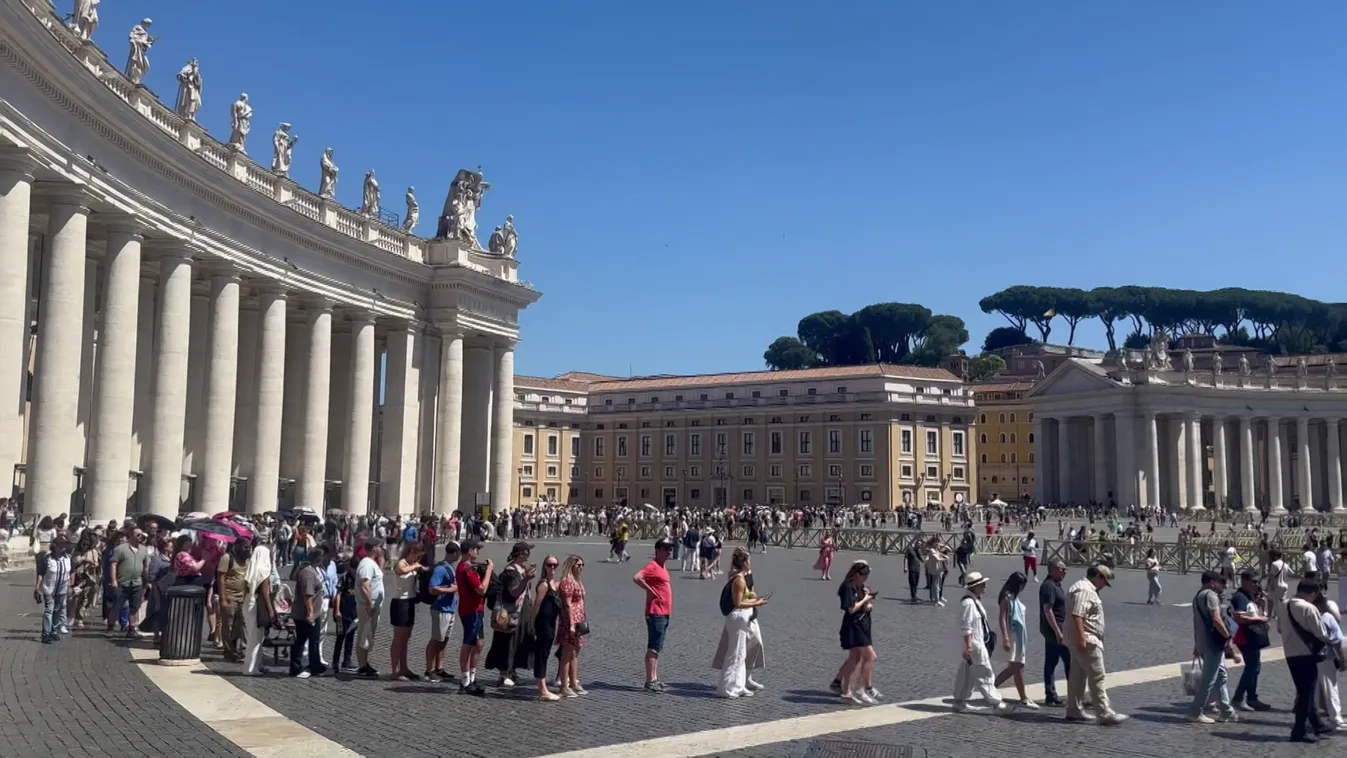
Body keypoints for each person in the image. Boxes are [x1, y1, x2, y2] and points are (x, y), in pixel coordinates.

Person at [1065, 565, 1127, 725]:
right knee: (1097, 676)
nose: (1104, 587)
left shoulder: (1079, 586)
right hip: (1087, 639)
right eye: (1104, 582)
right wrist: (1081, 639)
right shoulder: (1085, 590)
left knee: (1077, 677)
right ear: (1099, 577)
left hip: (1080, 638)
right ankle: (1104, 712)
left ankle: (1074, 709)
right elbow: (1077, 615)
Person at [714, 547, 769, 698]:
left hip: (743, 617)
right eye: (748, 560)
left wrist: (755, 599)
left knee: (741, 653)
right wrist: (757, 603)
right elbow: (738, 603)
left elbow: (745, 597)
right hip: (738, 618)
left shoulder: (743, 577)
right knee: (735, 653)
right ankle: (726, 688)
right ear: (744, 563)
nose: (750, 562)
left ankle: (739, 685)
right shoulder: (738, 580)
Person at [1282, 579, 1332, 742]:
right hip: (1307, 653)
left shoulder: (1283, 605)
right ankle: (1299, 730)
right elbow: (1321, 634)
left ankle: (1316, 723)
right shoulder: (1309, 608)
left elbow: (1279, 629)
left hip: (1290, 652)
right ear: (1312, 593)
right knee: (1306, 693)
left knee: (1303, 690)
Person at [951, 571, 1008, 713]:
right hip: (974, 644)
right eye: (982, 584)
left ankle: (959, 701)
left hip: (976, 642)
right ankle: (996, 702)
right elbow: (966, 626)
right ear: (974, 587)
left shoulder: (974, 601)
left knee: (966, 674)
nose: (985, 586)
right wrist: (969, 646)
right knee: (984, 672)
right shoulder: (968, 603)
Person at [1188, 570, 1240, 723]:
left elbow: (1196, 623)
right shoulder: (1210, 595)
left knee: (1220, 675)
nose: (1221, 586)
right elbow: (1216, 618)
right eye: (1219, 583)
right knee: (1209, 679)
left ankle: (1226, 710)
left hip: (1204, 642)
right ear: (1212, 582)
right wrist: (1227, 635)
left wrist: (1197, 644)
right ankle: (1195, 711)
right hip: (1212, 642)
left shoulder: (1197, 596)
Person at [485, 541, 536, 688]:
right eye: (527, 552)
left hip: (521, 610)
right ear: (520, 554)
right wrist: (525, 579)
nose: (528, 555)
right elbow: (513, 592)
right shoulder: (511, 572)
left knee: (518, 641)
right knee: (507, 641)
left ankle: (512, 671)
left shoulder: (521, 568)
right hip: (510, 612)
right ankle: (503, 674)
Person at [634, 538, 675, 692]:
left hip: (664, 612)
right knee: (653, 646)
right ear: (657, 550)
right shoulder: (653, 566)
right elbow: (637, 577)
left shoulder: (662, 567)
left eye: (670, 549)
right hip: (656, 612)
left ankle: (655, 678)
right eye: (665, 549)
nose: (668, 551)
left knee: (658, 646)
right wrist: (650, 591)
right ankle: (650, 680)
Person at [837, 560, 880, 705]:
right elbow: (850, 609)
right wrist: (865, 600)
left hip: (862, 624)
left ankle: (846, 691)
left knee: (854, 659)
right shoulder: (847, 587)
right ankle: (862, 689)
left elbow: (861, 604)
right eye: (864, 576)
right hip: (854, 626)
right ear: (857, 574)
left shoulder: (859, 585)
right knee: (871, 657)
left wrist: (868, 603)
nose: (865, 579)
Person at [1230, 568, 1273, 712]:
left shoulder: (1249, 596)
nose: (1256, 584)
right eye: (1254, 581)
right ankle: (1238, 698)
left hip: (1252, 635)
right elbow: (1239, 617)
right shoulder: (1240, 597)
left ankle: (1252, 698)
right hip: (1246, 635)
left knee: (1255, 667)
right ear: (1245, 581)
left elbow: (1254, 612)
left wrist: (1262, 604)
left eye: (1257, 582)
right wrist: (1260, 618)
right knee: (1252, 668)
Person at [994, 571, 1038, 709]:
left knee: (1015, 668)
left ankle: (991, 686)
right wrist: (1006, 637)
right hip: (1013, 635)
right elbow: (1002, 618)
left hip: (1019, 636)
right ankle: (1023, 698)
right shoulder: (1006, 599)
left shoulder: (1014, 598)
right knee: (1017, 667)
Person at [456, 539, 493, 694]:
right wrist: (489, 570)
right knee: (469, 643)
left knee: (479, 642)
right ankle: (465, 681)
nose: (478, 552)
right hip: (470, 610)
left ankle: (472, 677)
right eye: (476, 549)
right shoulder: (467, 569)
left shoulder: (468, 567)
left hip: (477, 609)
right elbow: (481, 589)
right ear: (470, 551)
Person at [389, 541, 426, 681]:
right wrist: (415, 566)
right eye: (417, 556)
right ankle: (395, 670)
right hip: (400, 602)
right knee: (398, 638)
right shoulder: (402, 563)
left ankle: (404, 668)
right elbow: (401, 571)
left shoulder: (413, 565)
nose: (418, 559)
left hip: (410, 601)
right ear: (412, 552)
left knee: (406, 638)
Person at [424, 541, 460, 682]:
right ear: (455, 553)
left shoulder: (450, 567)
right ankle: (429, 670)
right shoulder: (441, 569)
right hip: (440, 608)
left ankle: (440, 668)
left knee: (444, 640)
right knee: (436, 640)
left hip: (450, 608)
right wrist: (451, 590)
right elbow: (432, 588)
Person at [289, 546, 327, 679]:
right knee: (305, 640)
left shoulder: (309, 570)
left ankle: (313, 664)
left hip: (310, 612)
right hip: (306, 614)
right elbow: (308, 594)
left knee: (309, 639)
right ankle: (299, 666)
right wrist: (310, 612)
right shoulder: (308, 573)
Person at [531, 555, 563, 701]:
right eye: (549, 565)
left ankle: (543, 686)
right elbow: (536, 607)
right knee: (541, 655)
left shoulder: (554, 584)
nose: (552, 568)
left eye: (555, 565)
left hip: (551, 624)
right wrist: (532, 625)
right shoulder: (544, 585)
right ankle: (542, 690)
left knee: (545, 654)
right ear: (544, 566)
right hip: (543, 625)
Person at [1039, 560, 1070, 707]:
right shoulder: (1049, 586)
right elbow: (1048, 610)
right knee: (1058, 662)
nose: (1065, 572)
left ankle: (1072, 693)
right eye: (1062, 569)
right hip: (1054, 631)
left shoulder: (1055, 585)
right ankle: (1051, 694)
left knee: (1064, 661)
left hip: (1059, 629)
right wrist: (1058, 631)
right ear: (1053, 570)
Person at [556, 554, 588, 698]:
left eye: (582, 565)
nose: (581, 568)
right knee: (567, 653)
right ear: (571, 566)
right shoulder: (567, 582)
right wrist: (571, 624)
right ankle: (564, 685)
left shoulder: (577, 581)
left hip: (579, 620)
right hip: (570, 621)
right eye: (578, 565)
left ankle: (574, 681)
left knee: (575, 652)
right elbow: (568, 604)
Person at [242, 541, 274, 676]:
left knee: (252, 636)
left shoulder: (252, 568)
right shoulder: (264, 570)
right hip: (257, 605)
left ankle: (256, 665)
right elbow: (265, 592)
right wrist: (271, 610)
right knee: (255, 639)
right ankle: (250, 668)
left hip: (248, 603)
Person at [354, 546, 386, 678]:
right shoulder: (366, 564)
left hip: (372, 605)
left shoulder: (373, 563)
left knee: (368, 635)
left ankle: (365, 663)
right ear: (374, 548)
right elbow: (364, 585)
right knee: (364, 633)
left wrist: (382, 558)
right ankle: (362, 665)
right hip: (367, 605)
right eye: (380, 546)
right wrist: (369, 603)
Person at [1315, 596, 1345, 731]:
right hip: (1326, 656)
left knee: (1313, 689)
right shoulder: (1327, 617)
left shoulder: (1307, 617)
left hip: (1308, 656)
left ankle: (1313, 718)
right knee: (1330, 687)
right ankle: (1336, 718)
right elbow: (1337, 640)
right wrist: (1342, 659)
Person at [35, 536, 72, 643]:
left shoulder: (68, 558)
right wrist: (37, 588)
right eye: (61, 546)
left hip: (62, 588)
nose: (63, 548)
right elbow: (41, 574)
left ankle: (53, 630)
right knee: (49, 609)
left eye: (64, 546)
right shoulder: (47, 559)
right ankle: (46, 633)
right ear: (55, 547)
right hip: (49, 588)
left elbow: (70, 573)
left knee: (58, 609)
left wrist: (70, 586)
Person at [332, 555, 360, 673]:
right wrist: (337, 610)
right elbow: (338, 594)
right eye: (353, 569)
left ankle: (347, 661)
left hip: (354, 613)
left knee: (350, 637)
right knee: (340, 637)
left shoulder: (359, 579)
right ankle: (335, 662)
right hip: (343, 613)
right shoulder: (344, 578)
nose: (355, 572)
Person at [1266, 549, 1290, 623]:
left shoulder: (1274, 564)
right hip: (1284, 585)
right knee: (1282, 601)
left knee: (1270, 599)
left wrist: (1269, 585)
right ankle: (1283, 616)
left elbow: (1272, 576)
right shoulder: (1285, 564)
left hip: (1276, 584)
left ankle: (1269, 615)